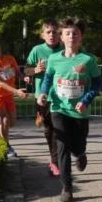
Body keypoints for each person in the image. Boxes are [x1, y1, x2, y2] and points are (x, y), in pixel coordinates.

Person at [36, 18, 101, 202]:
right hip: (59, 108)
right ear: (61, 37)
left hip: (80, 111)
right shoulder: (54, 59)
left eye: (75, 33)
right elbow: (48, 79)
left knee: (78, 144)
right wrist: (43, 93)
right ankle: (66, 186)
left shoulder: (88, 60)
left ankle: (80, 154)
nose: (71, 36)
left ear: (81, 38)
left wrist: (86, 100)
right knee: (62, 146)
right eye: (67, 33)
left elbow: (97, 84)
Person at [24, 19, 64, 176]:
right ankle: (55, 161)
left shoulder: (64, 49)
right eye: (48, 32)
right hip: (43, 96)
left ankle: (58, 160)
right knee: (50, 129)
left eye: (55, 32)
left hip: (62, 96)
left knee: (60, 129)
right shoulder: (37, 50)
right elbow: (25, 70)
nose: (52, 35)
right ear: (43, 35)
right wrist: (35, 70)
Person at [0, 39, 26, 158]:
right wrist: (17, 91)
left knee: (11, 123)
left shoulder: (10, 59)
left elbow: (17, 72)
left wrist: (24, 77)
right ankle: (6, 147)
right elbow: (0, 83)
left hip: (9, 95)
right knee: (5, 120)